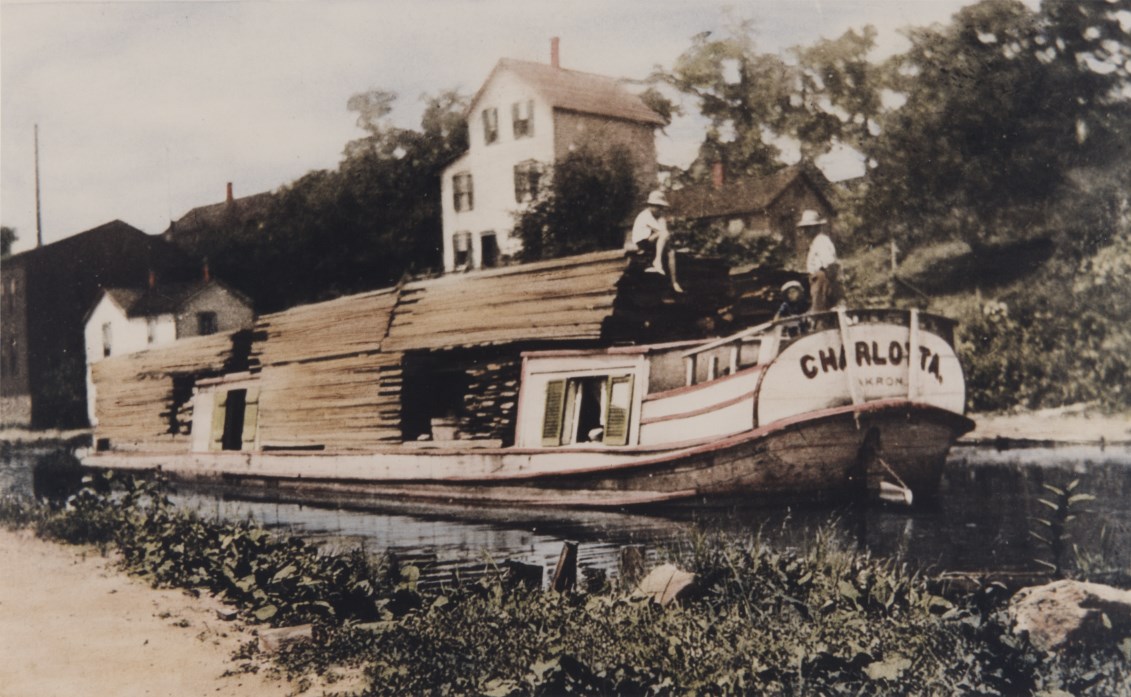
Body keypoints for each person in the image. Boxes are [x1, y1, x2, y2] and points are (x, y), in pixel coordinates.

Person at [628, 190, 683, 292]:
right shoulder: (646, 215)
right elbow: (663, 232)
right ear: (650, 205)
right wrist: (662, 230)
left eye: (660, 207)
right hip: (642, 240)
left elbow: (663, 232)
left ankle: (674, 281)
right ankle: (657, 261)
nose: (658, 209)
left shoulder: (660, 217)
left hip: (653, 239)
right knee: (665, 234)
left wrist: (662, 222)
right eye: (656, 206)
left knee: (671, 251)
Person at [799, 209, 843, 312]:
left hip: (822, 280)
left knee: (820, 312)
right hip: (817, 281)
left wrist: (828, 284)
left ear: (816, 228)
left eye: (808, 228)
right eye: (804, 228)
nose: (805, 231)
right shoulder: (815, 243)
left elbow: (830, 264)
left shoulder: (822, 241)